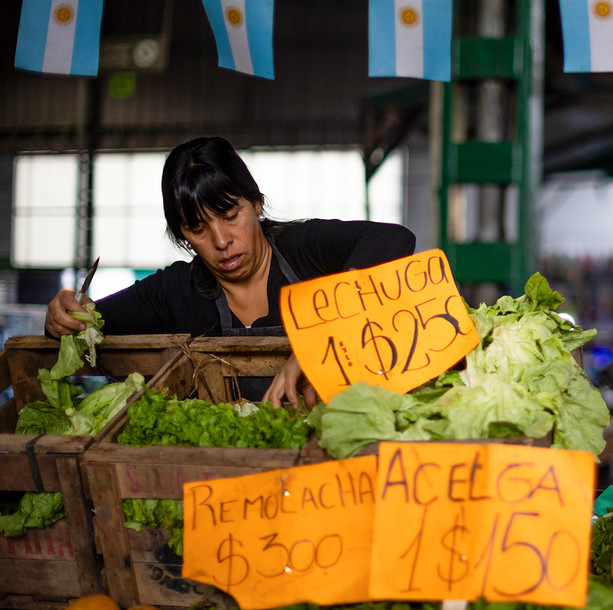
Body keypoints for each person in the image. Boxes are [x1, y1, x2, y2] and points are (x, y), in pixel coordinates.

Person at [44, 136, 416, 409]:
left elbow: (394, 239)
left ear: (256, 204)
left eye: (230, 215)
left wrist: (318, 339)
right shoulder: (176, 290)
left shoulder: (303, 249)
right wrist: (64, 312)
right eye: (197, 228)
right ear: (183, 236)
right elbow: (90, 320)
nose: (221, 241)